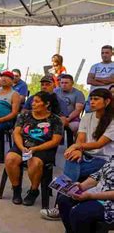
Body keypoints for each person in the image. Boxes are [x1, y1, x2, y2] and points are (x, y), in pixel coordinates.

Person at [41, 88, 114, 221]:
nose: (92, 102)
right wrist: (78, 150)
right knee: (71, 158)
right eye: (91, 99)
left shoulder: (112, 120)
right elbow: (80, 138)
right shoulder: (87, 117)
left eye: (96, 99)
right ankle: (67, 200)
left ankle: (60, 205)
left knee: (71, 170)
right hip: (86, 154)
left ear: (107, 101)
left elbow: (99, 144)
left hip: (104, 159)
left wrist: (76, 146)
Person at [5, 91, 63, 205]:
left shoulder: (55, 120)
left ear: (46, 104)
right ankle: (16, 189)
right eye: (33, 101)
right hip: (24, 145)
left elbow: (55, 141)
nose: (33, 104)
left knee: (35, 163)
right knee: (10, 159)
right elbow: (16, 133)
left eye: (37, 101)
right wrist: (21, 147)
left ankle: (33, 190)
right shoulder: (25, 115)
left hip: (43, 148)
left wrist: (36, 148)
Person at [57, 160, 114, 233]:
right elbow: (98, 175)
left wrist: (91, 196)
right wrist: (81, 186)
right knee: (65, 200)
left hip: (110, 204)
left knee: (80, 213)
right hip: (98, 193)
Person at [87, 45, 114, 111]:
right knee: (91, 116)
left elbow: (112, 79)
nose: (104, 55)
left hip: (109, 97)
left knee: (108, 116)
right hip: (94, 96)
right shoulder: (94, 66)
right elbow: (89, 80)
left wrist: (96, 78)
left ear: (112, 54)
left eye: (107, 53)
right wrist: (106, 81)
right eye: (102, 53)